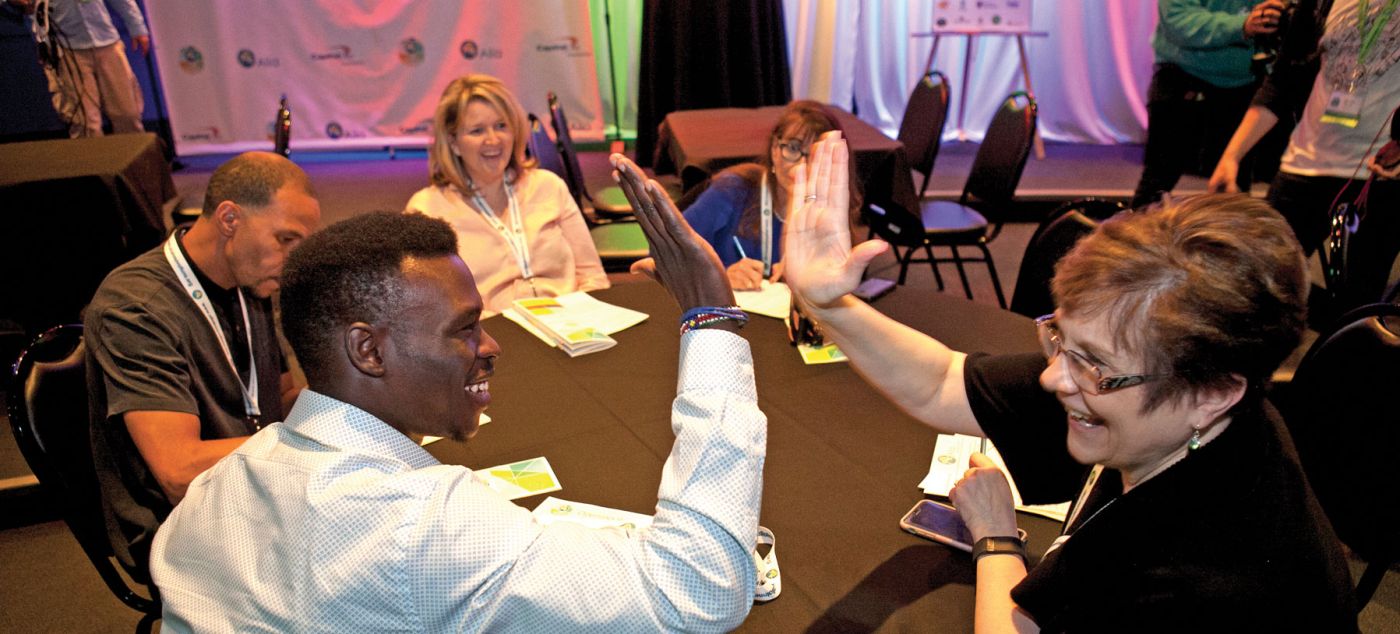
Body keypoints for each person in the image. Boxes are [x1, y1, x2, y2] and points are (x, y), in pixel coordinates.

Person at [149, 159, 767, 631]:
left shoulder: (218, 487)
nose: (492, 346)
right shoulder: (425, 526)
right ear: (369, 351)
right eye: (464, 328)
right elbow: (701, 587)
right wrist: (710, 320)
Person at [783, 132, 1356, 630]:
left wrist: (996, 538)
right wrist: (829, 305)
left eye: (1093, 364)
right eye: (1061, 339)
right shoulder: (1168, 406)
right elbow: (941, 382)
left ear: (1211, 394)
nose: (1057, 378)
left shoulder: (1211, 578)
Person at [86, 151, 320, 578]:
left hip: (259, 486)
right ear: (229, 219)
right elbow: (178, 469)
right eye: (285, 240)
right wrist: (313, 447)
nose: (294, 260)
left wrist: (356, 414)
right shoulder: (136, 307)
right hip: (182, 526)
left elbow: (282, 395)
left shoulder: (251, 280)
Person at [1210, 0, 1400, 313]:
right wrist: (1232, 156)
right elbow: (1285, 78)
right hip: (1306, 164)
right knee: (1259, 291)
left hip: (1377, 177)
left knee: (1357, 306)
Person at [406, 74, 608, 317]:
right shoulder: (428, 210)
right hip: (494, 337)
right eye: (477, 130)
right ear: (454, 142)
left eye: (501, 126)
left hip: (573, 323)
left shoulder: (548, 187)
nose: (493, 140)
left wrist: (589, 321)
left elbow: (592, 275)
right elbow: (438, 308)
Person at [682, 99, 857, 290]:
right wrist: (720, 277)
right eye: (793, 148)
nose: (801, 166)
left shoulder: (829, 215)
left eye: (814, 157)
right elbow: (667, 254)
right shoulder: (732, 190)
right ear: (775, 149)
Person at [1130, 0, 1287, 207]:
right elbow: (1177, 19)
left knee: (1233, 192)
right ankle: (1139, 237)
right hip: (1184, 77)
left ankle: (1231, 237)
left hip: (1247, 83)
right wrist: (1242, 24)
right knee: (1158, 182)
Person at [33, 0, 150, 137]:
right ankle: (92, 158)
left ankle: (137, 156)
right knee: (86, 124)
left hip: (107, 42)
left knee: (128, 114)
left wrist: (137, 28)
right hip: (67, 50)